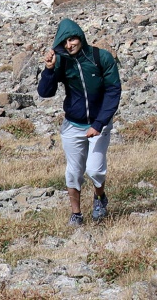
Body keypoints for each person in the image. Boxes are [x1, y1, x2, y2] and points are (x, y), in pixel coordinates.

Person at [38, 18, 121, 226]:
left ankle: (100, 198)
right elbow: (45, 93)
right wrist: (49, 69)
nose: (69, 45)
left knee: (94, 170)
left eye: (72, 39)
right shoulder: (62, 61)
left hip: (99, 124)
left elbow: (113, 91)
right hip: (73, 125)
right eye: (64, 42)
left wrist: (99, 123)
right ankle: (76, 214)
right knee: (73, 172)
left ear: (80, 37)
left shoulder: (100, 57)